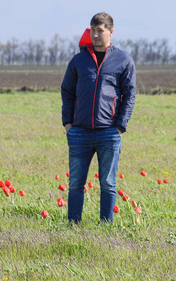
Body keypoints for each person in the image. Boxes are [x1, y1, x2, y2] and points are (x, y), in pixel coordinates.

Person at [61, 12, 136, 223]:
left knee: (108, 183)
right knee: (76, 182)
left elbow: (129, 95)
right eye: (92, 30)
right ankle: (73, 225)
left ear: (110, 32)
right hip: (79, 132)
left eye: (100, 30)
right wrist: (68, 124)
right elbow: (67, 91)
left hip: (109, 133)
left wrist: (120, 127)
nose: (95, 35)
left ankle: (106, 226)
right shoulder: (78, 60)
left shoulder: (123, 60)